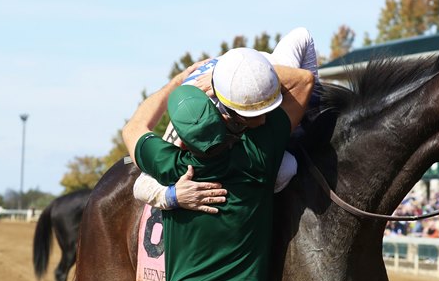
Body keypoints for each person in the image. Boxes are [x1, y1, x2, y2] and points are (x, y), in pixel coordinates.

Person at [123, 47, 313, 281]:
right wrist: (223, 77)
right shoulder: (260, 155)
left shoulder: (170, 166)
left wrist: (179, 82)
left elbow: (133, 128)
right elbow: (304, 80)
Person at [133, 27, 319, 208]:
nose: (263, 121)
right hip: (220, 86)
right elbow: (141, 185)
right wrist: (173, 196)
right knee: (286, 168)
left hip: (252, 69)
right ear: (226, 110)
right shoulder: (195, 112)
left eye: (267, 111)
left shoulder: (277, 71)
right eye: (252, 116)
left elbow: (303, 36)